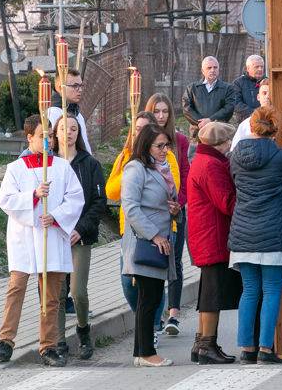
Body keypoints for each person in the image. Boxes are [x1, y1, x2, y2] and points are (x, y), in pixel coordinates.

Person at [0, 115, 84, 367]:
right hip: (24, 239)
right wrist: (33, 195)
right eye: (43, 135)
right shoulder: (15, 169)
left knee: (51, 295)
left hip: (51, 236)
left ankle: (48, 345)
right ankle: (6, 340)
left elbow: (76, 198)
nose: (49, 140)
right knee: (16, 289)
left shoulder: (62, 167)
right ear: (29, 137)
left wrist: (55, 216)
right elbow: (7, 200)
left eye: (51, 136)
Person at [229, 106, 282, 364]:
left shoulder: (236, 155)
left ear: (251, 127)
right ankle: (265, 348)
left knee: (250, 290)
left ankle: (246, 348)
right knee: (272, 290)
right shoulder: (281, 156)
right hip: (274, 231)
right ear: (275, 131)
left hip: (243, 231)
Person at [120, 123, 181, 367]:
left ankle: (142, 351)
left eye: (167, 145)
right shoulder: (135, 169)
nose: (165, 149)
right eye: (159, 145)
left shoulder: (163, 167)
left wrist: (174, 210)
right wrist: (155, 235)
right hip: (144, 242)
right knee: (149, 297)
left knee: (153, 297)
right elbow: (131, 208)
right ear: (146, 145)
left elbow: (168, 200)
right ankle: (146, 352)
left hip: (162, 239)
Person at [51, 114, 106, 360]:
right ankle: (59, 339)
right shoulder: (48, 164)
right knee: (57, 292)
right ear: (55, 133)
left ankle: (83, 330)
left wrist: (80, 229)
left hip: (79, 237)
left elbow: (98, 202)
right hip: (55, 235)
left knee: (78, 290)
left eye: (74, 128)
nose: (69, 133)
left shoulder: (89, 164)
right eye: (64, 128)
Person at [186, 121, 239, 364]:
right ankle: (207, 343)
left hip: (205, 234)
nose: (230, 146)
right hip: (213, 236)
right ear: (219, 143)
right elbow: (226, 202)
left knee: (208, 291)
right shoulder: (211, 165)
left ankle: (202, 343)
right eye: (228, 142)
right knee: (211, 294)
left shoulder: (201, 160)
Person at [145, 93, 190, 337]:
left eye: (165, 112)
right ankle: (156, 313)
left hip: (175, 210)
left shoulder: (179, 141)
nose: (161, 116)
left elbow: (185, 173)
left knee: (175, 260)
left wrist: (179, 203)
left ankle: (173, 313)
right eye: (157, 112)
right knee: (153, 262)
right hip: (152, 212)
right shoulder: (144, 142)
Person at [182, 56, 235, 138]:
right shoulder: (192, 88)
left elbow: (229, 108)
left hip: (219, 133)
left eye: (215, 67)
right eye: (209, 68)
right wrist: (201, 123)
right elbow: (187, 109)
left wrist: (211, 120)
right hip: (197, 132)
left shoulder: (228, 88)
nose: (212, 70)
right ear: (203, 71)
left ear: (218, 69)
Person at [48, 69, 92, 154]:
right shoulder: (53, 113)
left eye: (81, 86)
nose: (80, 90)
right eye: (75, 86)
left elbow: (84, 144)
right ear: (61, 88)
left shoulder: (77, 114)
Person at [232, 55, 266, 123]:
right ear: (248, 68)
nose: (260, 69)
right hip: (245, 121)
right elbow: (236, 104)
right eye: (257, 67)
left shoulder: (267, 82)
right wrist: (256, 113)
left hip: (266, 119)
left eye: (262, 67)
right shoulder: (238, 83)